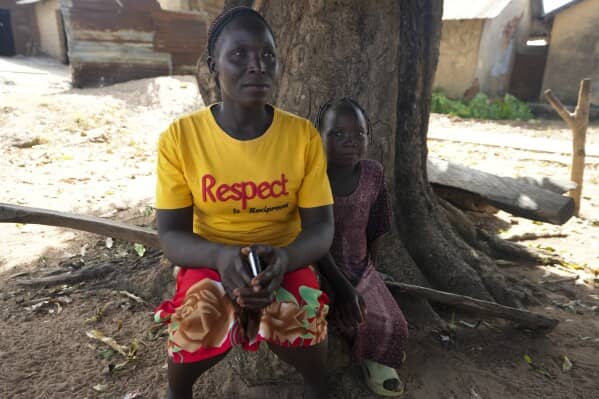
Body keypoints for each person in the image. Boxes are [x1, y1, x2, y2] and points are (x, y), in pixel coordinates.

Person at [153, 7, 334, 399]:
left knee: (301, 316)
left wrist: (284, 260)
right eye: (239, 55)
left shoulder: (302, 137)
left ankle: (317, 385)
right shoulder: (181, 138)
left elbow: (321, 227)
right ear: (213, 66)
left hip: (284, 257)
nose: (258, 66)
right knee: (197, 318)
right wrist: (220, 258)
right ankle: (177, 392)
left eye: (268, 55)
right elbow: (170, 234)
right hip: (210, 258)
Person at [316, 98, 409, 397]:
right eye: (338, 134)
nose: (350, 142)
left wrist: (370, 276)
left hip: (360, 266)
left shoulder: (373, 174)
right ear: (319, 135)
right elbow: (309, 237)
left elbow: (377, 226)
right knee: (336, 312)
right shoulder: (311, 175)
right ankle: (369, 356)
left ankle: (375, 354)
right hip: (318, 266)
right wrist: (341, 287)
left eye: (358, 134)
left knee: (395, 323)